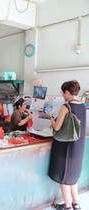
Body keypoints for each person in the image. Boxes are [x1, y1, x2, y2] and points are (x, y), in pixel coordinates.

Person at [48, 80, 86, 210]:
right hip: (78, 148)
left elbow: (57, 127)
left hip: (66, 148)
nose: (63, 95)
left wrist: (50, 119)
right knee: (72, 177)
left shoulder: (66, 106)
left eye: (63, 92)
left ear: (67, 92)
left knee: (64, 177)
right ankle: (76, 203)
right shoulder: (82, 106)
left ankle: (68, 206)